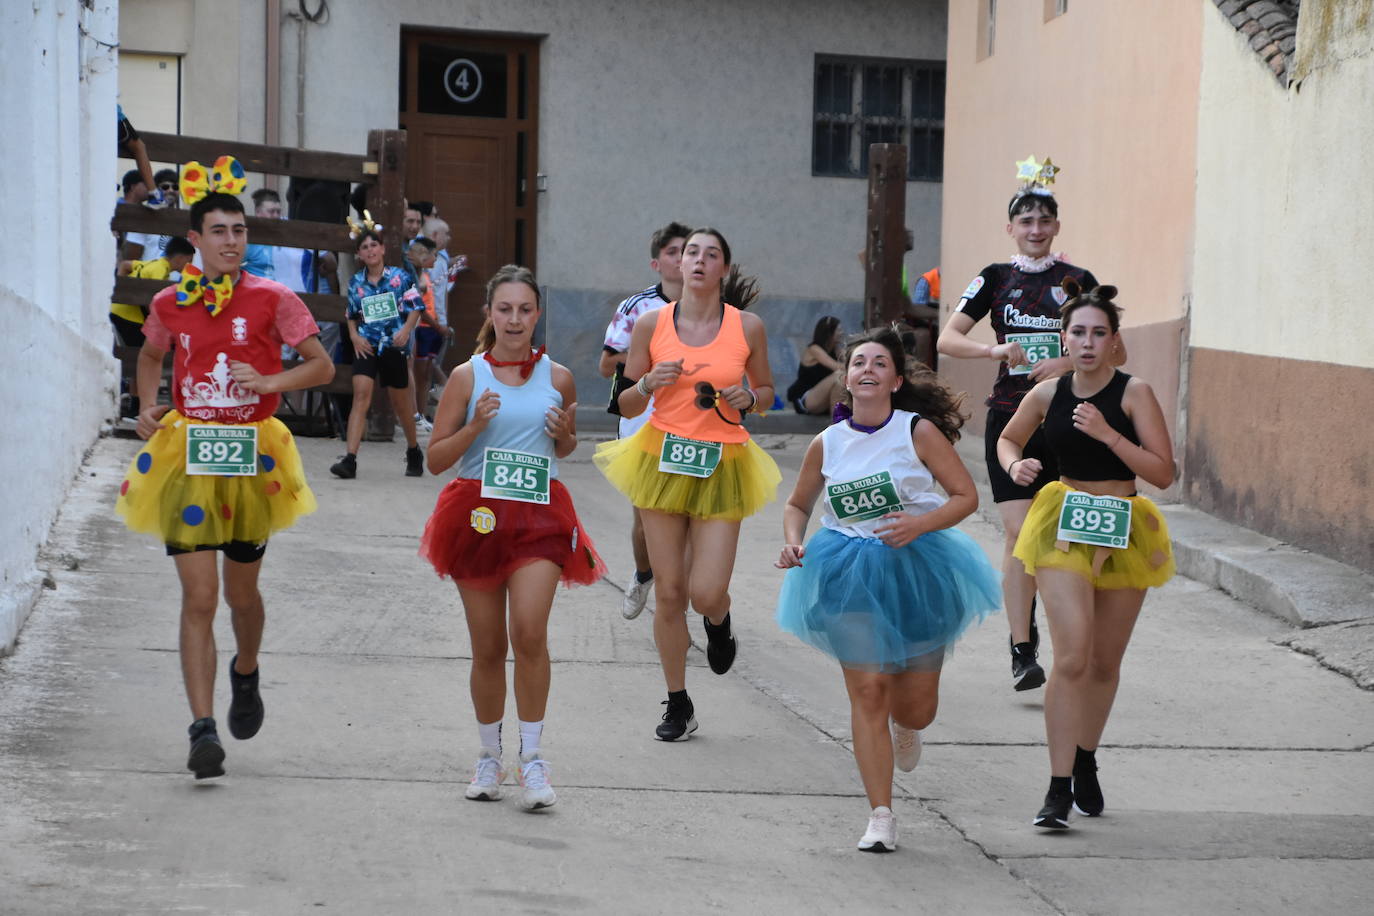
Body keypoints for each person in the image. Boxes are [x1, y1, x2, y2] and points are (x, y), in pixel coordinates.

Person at [114, 162, 335, 779]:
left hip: (252, 457)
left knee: (241, 596)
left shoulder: (273, 297)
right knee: (200, 596)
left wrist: (269, 381)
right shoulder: (169, 301)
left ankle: (246, 669)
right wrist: (148, 405)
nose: (232, 241)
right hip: (188, 455)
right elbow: (151, 353)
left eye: (239, 230)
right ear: (196, 239)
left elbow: (320, 366)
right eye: (219, 231)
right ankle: (202, 730)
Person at [775, 327, 1000, 852]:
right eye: (859, 362)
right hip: (846, 569)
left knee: (916, 706)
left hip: (916, 567)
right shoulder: (827, 442)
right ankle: (881, 814)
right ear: (846, 377)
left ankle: (908, 724)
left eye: (880, 363)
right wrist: (794, 542)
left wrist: (919, 524)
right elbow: (797, 505)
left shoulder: (916, 431)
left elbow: (965, 496)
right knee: (869, 691)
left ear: (896, 380)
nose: (868, 370)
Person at [420, 265, 606, 810]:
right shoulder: (467, 376)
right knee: (487, 647)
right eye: (505, 309)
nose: (515, 319)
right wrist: (475, 426)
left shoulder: (560, 377)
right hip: (476, 517)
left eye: (525, 309)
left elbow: (565, 448)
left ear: (537, 314)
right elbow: (436, 459)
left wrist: (565, 436)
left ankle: (533, 758)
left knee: (528, 632)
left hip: (539, 516)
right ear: (490, 314)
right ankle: (488, 755)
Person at [936, 155, 1124, 693]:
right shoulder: (995, 278)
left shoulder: (1079, 281)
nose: (1035, 229)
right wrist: (993, 349)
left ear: (1057, 226)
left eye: (1044, 220)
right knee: (1021, 532)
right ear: (1011, 228)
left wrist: (1068, 362)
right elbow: (948, 338)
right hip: (1011, 419)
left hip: (1070, 420)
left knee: (1067, 533)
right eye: (1026, 221)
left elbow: (1117, 348)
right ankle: (1023, 647)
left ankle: (1073, 637)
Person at [995, 280, 1174, 830]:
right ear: (1064, 338)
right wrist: (1015, 465)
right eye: (1079, 332)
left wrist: (1109, 435)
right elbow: (1007, 439)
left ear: (1114, 340)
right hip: (1064, 522)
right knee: (1071, 658)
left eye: (1099, 333)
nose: (1088, 342)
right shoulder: (1047, 394)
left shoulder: (1134, 393)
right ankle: (1056, 789)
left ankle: (1085, 758)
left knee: (1103, 663)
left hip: (1125, 523)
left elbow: (1164, 472)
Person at [594, 227, 780, 741]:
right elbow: (624, 402)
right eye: (691, 252)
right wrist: (647, 383)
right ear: (677, 265)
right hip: (662, 460)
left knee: (705, 592)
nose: (698, 260)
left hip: (723, 463)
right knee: (671, 591)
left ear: (724, 268)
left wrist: (750, 399)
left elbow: (768, 392)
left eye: (710, 254)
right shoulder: (651, 324)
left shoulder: (748, 327)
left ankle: (719, 622)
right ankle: (678, 702)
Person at [598, 221, 690, 620]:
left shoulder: (716, 308)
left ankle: (679, 599)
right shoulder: (636, 307)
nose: (682, 259)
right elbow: (606, 365)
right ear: (657, 263)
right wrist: (652, 361)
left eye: (688, 251)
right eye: (672, 252)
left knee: (690, 516)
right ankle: (643, 573)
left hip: (692, 423)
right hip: (641, 421)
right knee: (644, 519)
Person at [330, 224, 425, 479]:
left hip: (393, 345)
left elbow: (416, 306)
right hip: (367, 346)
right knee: (361, 396)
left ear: (382, 249)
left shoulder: (399, 277)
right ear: (359, 254)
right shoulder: (356, 282)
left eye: (374, 245)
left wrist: (406, 330)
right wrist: (354, 336)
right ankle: (350, 459)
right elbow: (351, 314)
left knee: (400, 403)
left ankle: (413, 450)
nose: (370, 250)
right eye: (364, 247)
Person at [112, 236, 196, 348]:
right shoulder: (160, 271)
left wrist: (119, 293)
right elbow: (153, 302)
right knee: (153, 347)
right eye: (189, 261)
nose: (190, 266)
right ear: (179, 258)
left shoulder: (153, 263)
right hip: (129, 318)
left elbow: (124, 265)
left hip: (117, 311)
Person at [405, 235, 445, 430]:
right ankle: (413, 415)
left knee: (424, 375)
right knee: (416, 373)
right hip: (421, 328)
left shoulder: (424, 275)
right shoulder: (416, 277)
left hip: (426, 327)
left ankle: (419, 414)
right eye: (433, 255)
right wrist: (437, 326)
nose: (436, 259)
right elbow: (420, 307)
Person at [785, 315, 843, 415]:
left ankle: (839, 420)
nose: (842, 333)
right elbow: (837, 367)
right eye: (839, 330)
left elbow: (850, 363)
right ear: (829, 333)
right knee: (840, 375)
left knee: (843, 381)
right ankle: (838, 421)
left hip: (822, 398)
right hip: (806, 398)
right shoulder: (814, 349)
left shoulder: (836, 349)